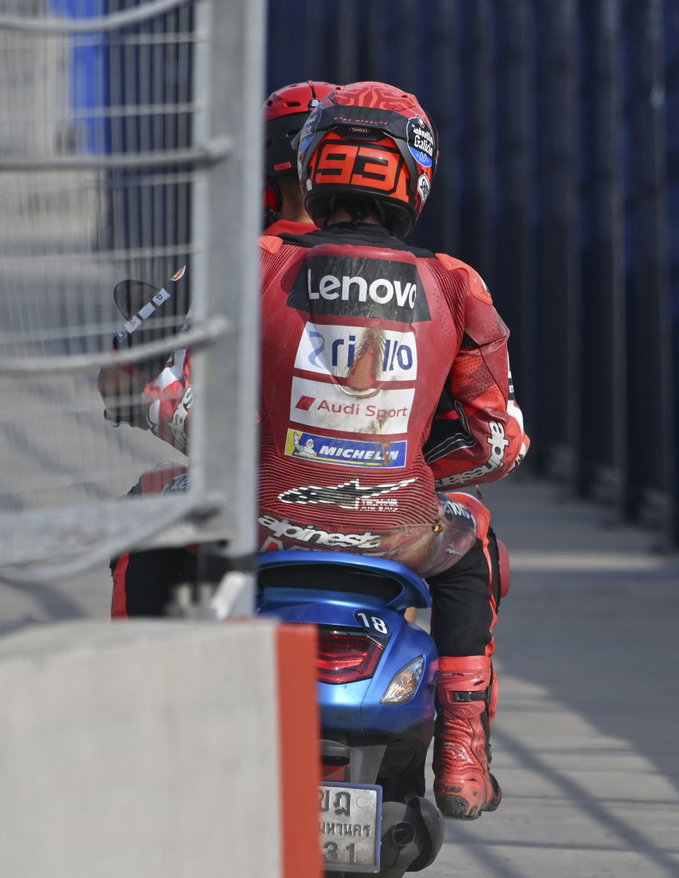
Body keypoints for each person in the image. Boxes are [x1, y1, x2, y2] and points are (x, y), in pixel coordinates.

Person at [258, 80, 529, 818]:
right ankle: (463, 749)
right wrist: (400, 464)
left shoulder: (255, 260)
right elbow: (497, 444)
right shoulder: (455, 283)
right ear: (417, 177)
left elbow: (165, 392)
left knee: (153, 519)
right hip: (398, 531)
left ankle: (140, 720)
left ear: (313, 163)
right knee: (475, 540)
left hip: (259, 523)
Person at [101, 80, 339, 617]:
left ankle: (138, 661)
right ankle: (464, 670)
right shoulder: (423, 271)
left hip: (254, 492)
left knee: (146, 505)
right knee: (468, 529)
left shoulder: (230, 261)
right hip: (380, 500)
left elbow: (120, 374)